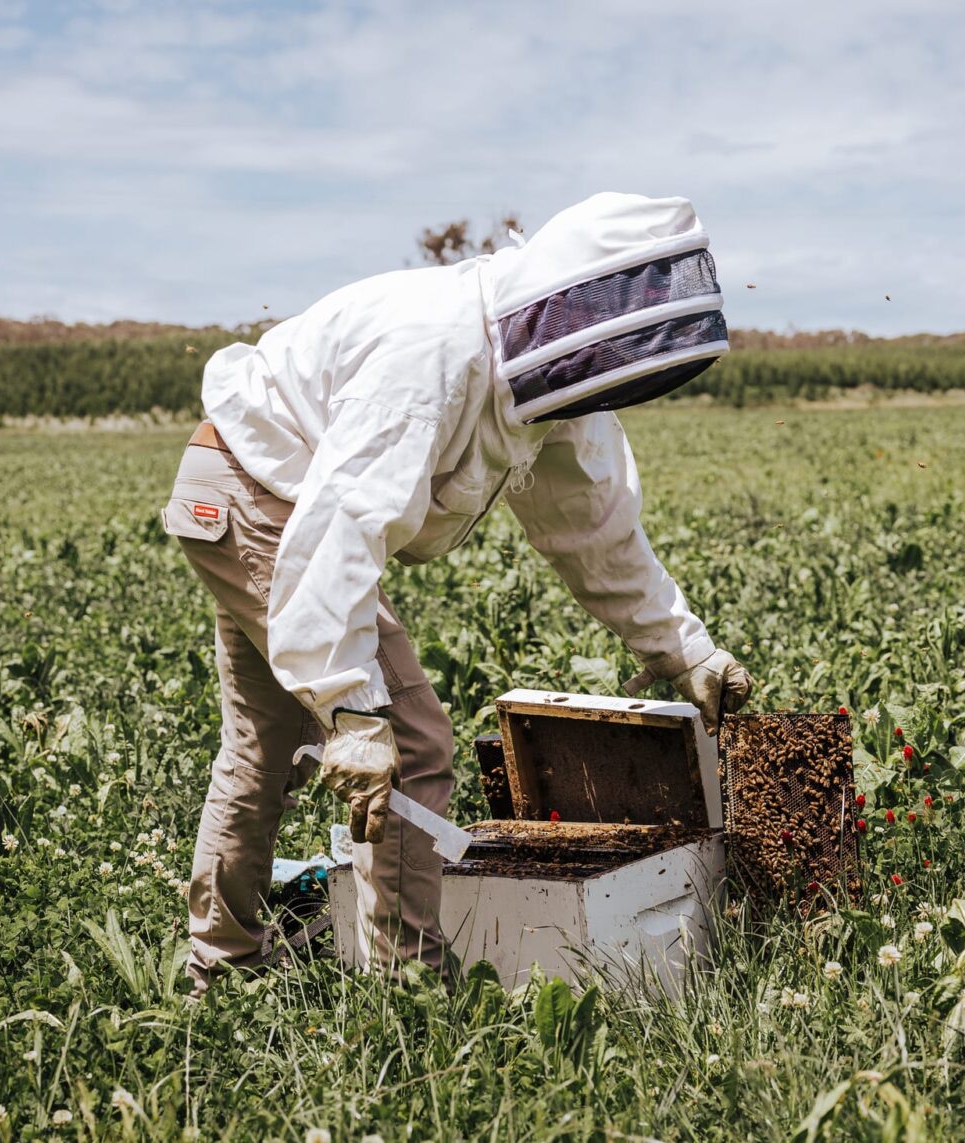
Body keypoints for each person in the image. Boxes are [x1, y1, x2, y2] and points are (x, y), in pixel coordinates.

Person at [161, 191, 754, 993]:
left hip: (248, 489)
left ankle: (221, 967)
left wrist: (684, 647)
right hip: (261, 497)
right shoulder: (433, 355)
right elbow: (343, 526)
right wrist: (348, 707)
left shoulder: (545, 389)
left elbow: (595, 529)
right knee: (407, 739)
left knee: (263, 748)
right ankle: (408, 985)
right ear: (569, 304)